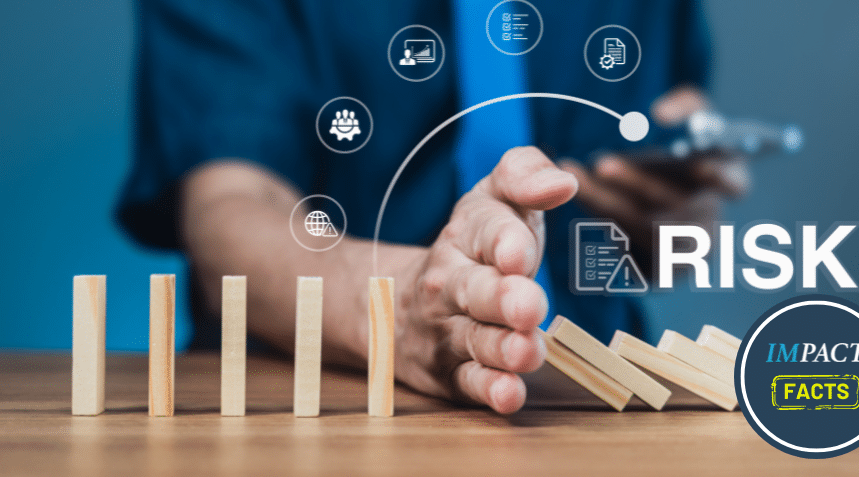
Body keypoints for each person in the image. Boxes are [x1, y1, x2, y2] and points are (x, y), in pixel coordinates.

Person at [119, 0, 747, 414]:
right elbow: (230, 205)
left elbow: (656, 244)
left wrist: (669, 218)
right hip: (316, 407)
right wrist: (399, 311)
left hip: (597, 398)